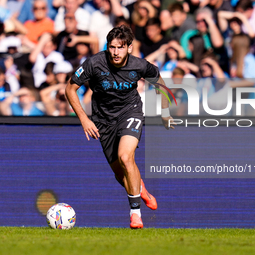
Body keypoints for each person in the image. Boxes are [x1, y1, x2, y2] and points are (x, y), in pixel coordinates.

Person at [65, 25, 174, 229]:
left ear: (129, 48)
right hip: (103, 121)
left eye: (120, 47)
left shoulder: (140, 65)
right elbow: (70, 89)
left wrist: (165, 113)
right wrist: (84, 119)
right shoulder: (94, 63)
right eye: (112, 47)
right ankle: (140, 188)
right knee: (119, 173)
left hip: (130, 112)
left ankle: (135, 214)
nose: (115, 52)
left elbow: (160, 84)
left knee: (126, 157)